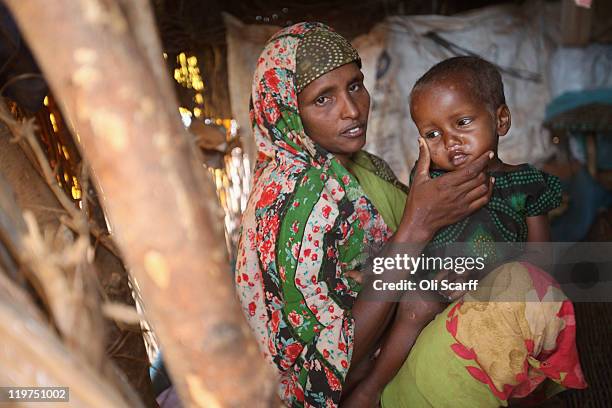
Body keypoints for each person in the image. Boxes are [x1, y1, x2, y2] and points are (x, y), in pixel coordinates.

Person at [235, 23, 583, 408]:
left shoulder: (363, 167)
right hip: (352, 387)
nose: (351, 110)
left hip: (414, 336)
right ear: (284, 110)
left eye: (354, 85)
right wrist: (418, 225)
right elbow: (325, 373)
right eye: (322, 100)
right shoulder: (287, 205)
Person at [346, 56, 587, 407]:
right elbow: (413, 237)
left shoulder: (526, 183)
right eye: (432, 134)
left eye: (462, 122)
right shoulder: (432, 183)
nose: (450, 141)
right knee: (413, 306)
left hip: (491, 291)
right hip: (437, 276)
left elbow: (539, 261)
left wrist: (487, 287)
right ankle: (371, 386)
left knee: (514, 346)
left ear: (500, 120)